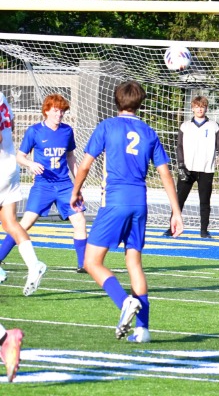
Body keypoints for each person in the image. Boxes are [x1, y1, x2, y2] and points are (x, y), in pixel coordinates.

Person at [70, 80, 183, 343]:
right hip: (139, 202)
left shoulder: (107, 126)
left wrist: (75, 191)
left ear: (116, 100)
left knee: (91, 262)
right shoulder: (149, 132)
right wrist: (176, 212)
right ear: (140, 103)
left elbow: (85, 165)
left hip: (115, 202)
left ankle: (124, 302)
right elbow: (165, 174)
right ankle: (143, 330)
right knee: (134, 263)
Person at [0, 94, 88, 273]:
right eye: (56, 111)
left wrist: (78, 183)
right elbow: (20, 156)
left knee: (80, 220)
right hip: (43, 185)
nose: (59, 114)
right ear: (46, 111)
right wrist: (31, 164)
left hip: (64, 185)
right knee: (25, 224)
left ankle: (84, 264)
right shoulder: (34, 131)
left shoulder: (67, 131)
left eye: (62, 111)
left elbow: (70, 157)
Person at [0, 90, 47, 296]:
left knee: (10, 222)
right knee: (10, 222)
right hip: (9, 166)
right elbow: (11, 123)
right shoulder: (1, 96)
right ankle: (34, 264)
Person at [164, 95, 219, 239]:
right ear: (192, 108)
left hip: (206, 169)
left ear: (206, 108)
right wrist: (181, 165)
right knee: (178, 200)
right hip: (188, 168)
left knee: (205, 201)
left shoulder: (214, 126)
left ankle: (204, 231)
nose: (200, 109)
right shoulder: (185, 126)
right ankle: (171, 228)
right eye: (197, 107)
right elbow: (179, 146)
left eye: (202, 107)